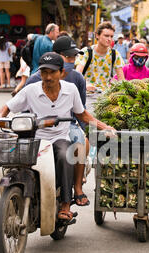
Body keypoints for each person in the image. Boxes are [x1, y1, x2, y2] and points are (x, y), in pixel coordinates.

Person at [0, 52, 114, 222]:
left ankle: (65, 204)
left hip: (58, 138)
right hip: (35, 138)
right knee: (15, 162)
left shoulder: (71, 90)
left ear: (62, 73)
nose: (47, 77)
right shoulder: (31, 90)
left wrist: (106, 127)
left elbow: (83, 115)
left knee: (64, 154)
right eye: (44, 72)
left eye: (52, 72)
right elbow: (7, 107)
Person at [25, 36, 90, 206]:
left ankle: (77, 188)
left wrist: (84, 130)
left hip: (67, 124)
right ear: (56, 56)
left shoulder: (77, 79)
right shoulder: (34, 80)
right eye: (68, 57)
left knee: (81, 143)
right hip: (38, 126)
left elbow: (80, 111)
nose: (72, 61)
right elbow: (23, 108)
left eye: (74, 57)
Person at [75, 21, 125, 111]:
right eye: (106, 36)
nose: (109, 39)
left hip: (106, 98)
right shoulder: (86, 52)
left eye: (111, 36)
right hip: (88, 95)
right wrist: (85, 84)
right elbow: (77, 74)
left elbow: (122, 80)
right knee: (92, 124)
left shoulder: (115, 54)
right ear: (97, 35)